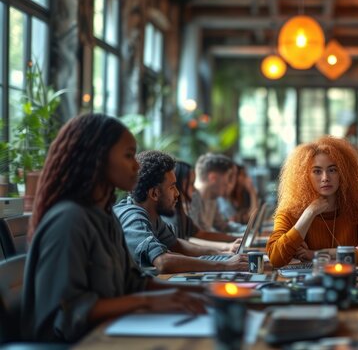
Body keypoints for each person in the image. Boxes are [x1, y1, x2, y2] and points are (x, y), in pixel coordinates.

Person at [22, 114, 205, 343]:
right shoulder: (69, 220)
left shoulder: (106, 216)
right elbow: (68, 311)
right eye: (128, 156)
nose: (136, 165)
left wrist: (199, 291)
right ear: (97, 158)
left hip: (110, 334)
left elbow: (133, 282)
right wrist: (149, 301)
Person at [115, 150, 247, 274]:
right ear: (154, 193)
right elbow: (163, 262)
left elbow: (176, 245)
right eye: (172, 187)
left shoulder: (152, 217)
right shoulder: (134, 217)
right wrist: (224, 265)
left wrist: (222, 255)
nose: (178, 193)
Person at [267, 136, 358, 267]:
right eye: (317, 171)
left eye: (332, 170)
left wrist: (318, 254)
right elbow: (275, 258)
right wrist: (309, 213)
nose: (325, 178)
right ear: (304, 176)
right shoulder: (291, 209)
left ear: (343, 173)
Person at [163, 160, 239, 249]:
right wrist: (225, 248)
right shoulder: (169, 215)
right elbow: (186, 242)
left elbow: (199, 233)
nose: (195, 189)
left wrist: (235, 240)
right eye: (191, 184)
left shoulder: (180, 212)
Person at [190, 153, 245, 235]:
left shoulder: (212, 197)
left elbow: (223, 226)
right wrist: (236, 238)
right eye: (228, 178)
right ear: (213, 178)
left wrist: (247, 229)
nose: (229, 184)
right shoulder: (190, 199)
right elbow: (197, 236)